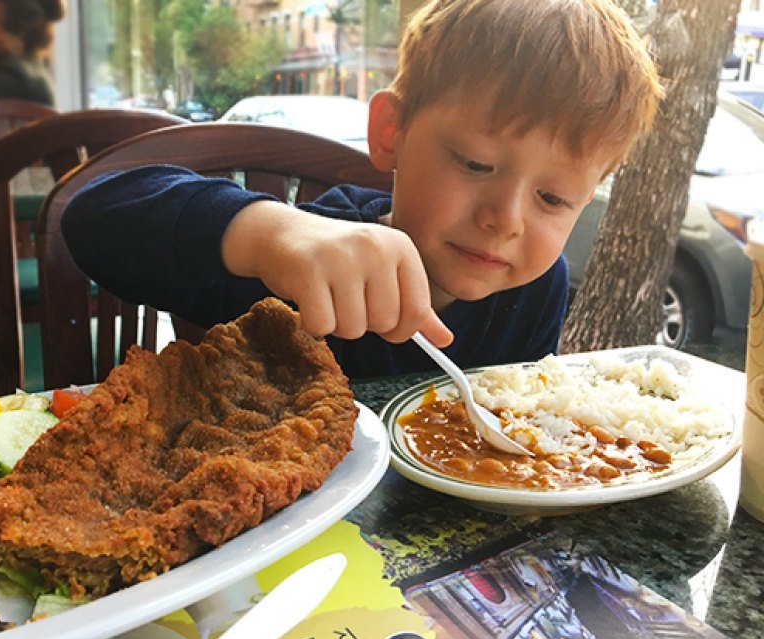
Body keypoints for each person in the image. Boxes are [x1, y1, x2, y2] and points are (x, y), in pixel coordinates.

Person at [60, 0, 664, 379]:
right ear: (391, 133)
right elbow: (92, 217)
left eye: (553, 199)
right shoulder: (301, 264)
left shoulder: (537, 289)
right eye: (476, 163)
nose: (506, 219)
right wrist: (269, 234)